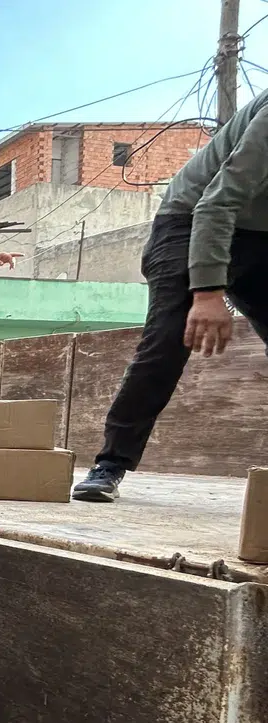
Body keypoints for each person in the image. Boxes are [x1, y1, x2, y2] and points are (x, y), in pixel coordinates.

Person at [74, 90, 268, 503]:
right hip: (191, 217)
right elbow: (218, 202)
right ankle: (110, 463)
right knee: (169, 338)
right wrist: (209, 292)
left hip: (260, 235)